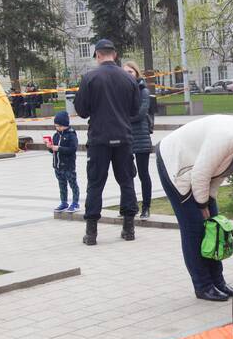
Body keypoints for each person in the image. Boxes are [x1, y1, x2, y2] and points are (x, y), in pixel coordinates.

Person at [157, 102, 233, 301]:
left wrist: (208, 203)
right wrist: (201, 206)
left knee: (214, 228)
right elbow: (200, 174)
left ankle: (218, 282)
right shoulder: (227, 136)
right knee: (195, 230)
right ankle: (203, 286)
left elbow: (218, 173)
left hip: (198, 173)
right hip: (176, 165)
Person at [73, 38, 141, 245]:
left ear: (98, 55)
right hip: (123, 137)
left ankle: (91, 232)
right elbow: (135, 110)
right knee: (126, 181)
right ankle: (129, 228)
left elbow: (82, 111)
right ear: (115, 54)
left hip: (99, 138)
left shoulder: (90, 78)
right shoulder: (128, 78)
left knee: (95, 184)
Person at [123, 61, 154, 219]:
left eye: (130, 72)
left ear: (136, 73)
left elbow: (140, 114)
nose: (128, 74)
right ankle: (128, 206)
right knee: (126, 174)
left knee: (143, 174)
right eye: (125, 72)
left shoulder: (143, 91)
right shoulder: (120, 90)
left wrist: (123, 118)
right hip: (125, 137)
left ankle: (146, 207)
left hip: (140, 136)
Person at [48, 110, 80, 213]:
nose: (58, 128)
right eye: (56, 126)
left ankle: (75, 203)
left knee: (72, 184)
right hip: (57, 165)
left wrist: (59, 148)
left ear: (65, 124)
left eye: (59, 126)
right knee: (62, 185)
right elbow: (54, 150)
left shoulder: (71, 135)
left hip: (68, 165)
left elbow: (73, 149)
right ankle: (64, 202)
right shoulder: (56, 135)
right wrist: (50, 147)